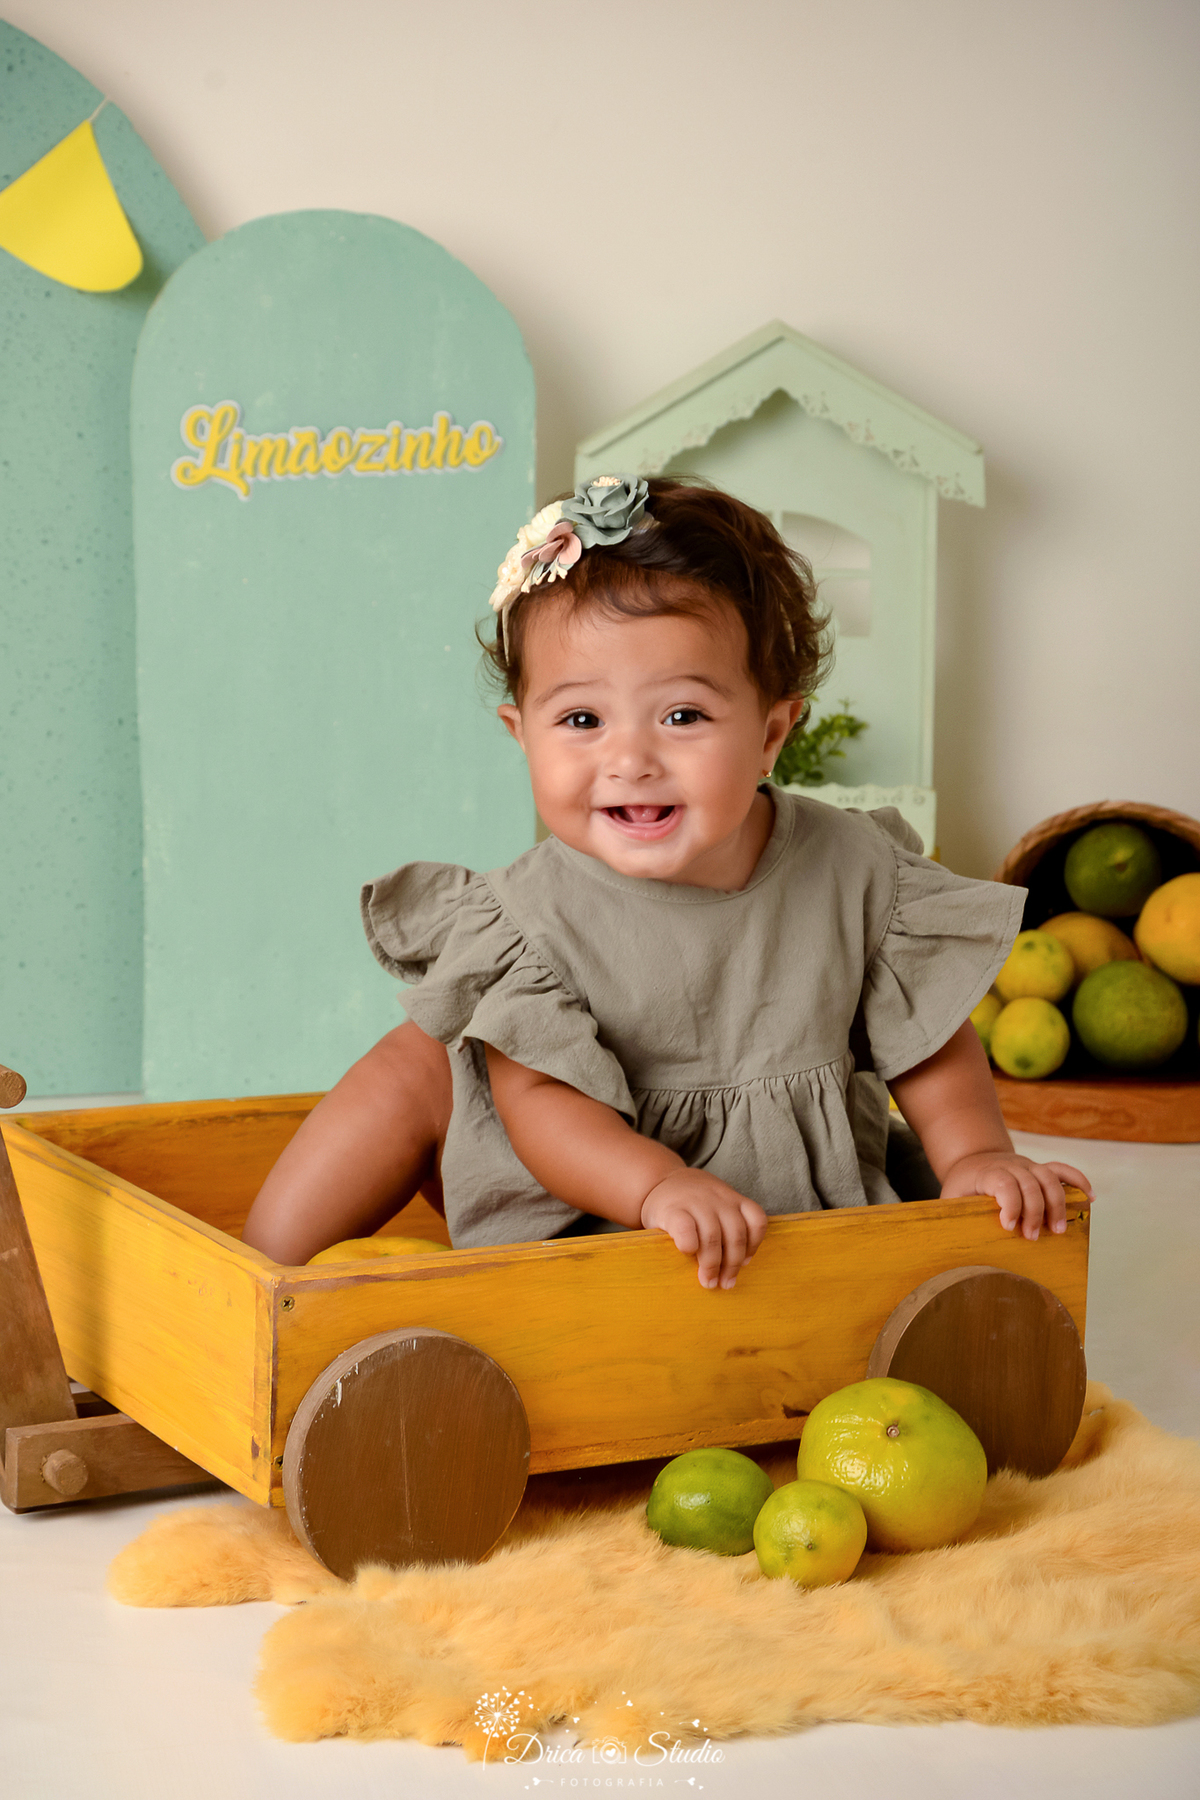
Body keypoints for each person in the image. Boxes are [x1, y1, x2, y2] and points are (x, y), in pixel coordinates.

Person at [241, 475, 1091, 1284]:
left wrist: (977, 1153)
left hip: (784, 1202)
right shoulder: (526, 923)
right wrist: (653, 1186)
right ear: (521, 732)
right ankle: (255, 1278)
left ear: (770, 730)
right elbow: (539, 1103)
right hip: (592, 1189)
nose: (630, 760)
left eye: (682, 716)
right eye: (580, 719)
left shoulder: (856, 870)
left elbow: (929, 1037)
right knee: (418, 1061)